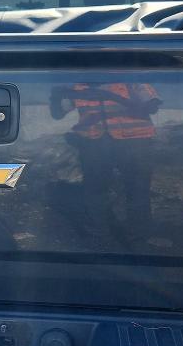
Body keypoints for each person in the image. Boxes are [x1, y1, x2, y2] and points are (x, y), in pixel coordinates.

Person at [50, 82, 161, 244]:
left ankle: (139, 238)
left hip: (135, 142)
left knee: (137, 190)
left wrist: (111, 96)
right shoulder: (78, 86)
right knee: (95, 190)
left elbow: (151, 107)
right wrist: (55, 96)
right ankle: (100, 238)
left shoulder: (133, 80)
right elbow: (58, 113)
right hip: (95, 142)